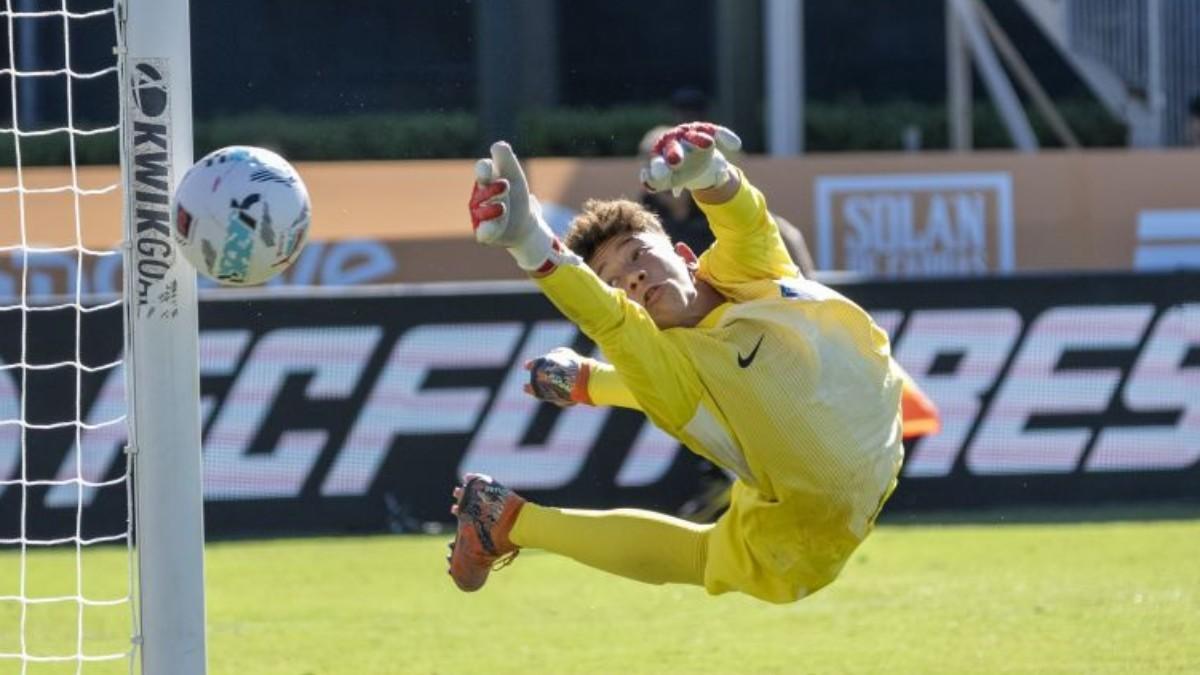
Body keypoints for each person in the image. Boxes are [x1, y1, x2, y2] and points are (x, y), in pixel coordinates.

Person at [452, 122, 939, 604]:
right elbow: (610, 319)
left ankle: (582, 380)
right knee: (711, 557)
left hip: (870, 444)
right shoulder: (663, 363)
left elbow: (744, 220)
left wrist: (711, 173)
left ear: (685, 254)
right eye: (612, 280)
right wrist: (530, 243)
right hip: (799, 525)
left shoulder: (744, 270)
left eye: (637, 254)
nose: (633, 277)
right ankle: (510, 520)